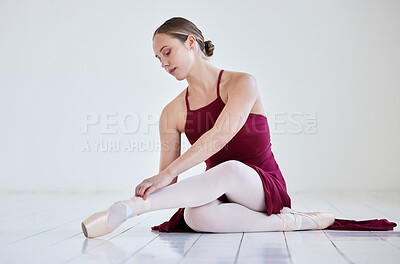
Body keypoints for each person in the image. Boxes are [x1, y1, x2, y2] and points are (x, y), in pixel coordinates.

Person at [81, 17, 395, 238]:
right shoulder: (172, 112)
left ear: (191, 43)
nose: (163, 63)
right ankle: (293, 223)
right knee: (194, 215)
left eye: (167, 52)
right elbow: (170, 178)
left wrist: (156, 184)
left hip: (262, 187)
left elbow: (219, 135)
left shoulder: (242, 83)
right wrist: (162, 179)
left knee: (230, 168)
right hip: (220, 191)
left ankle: (131, 209)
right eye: (157, 59)